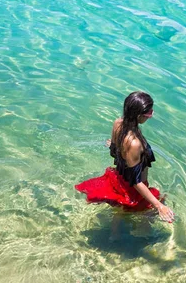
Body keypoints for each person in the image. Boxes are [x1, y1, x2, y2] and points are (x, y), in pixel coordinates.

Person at [75, 91, 175, 236]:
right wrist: (159, 206)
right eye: (150, 112)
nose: (152, 114)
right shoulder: (134, 143)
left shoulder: (118, 124)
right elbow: (136, 182)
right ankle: (144, 239)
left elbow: (114, 153)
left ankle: (114, 235)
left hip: (119, 179)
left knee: (122, 208)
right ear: (139, 115)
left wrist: (114, 146)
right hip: (134, 188)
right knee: (150, 212)